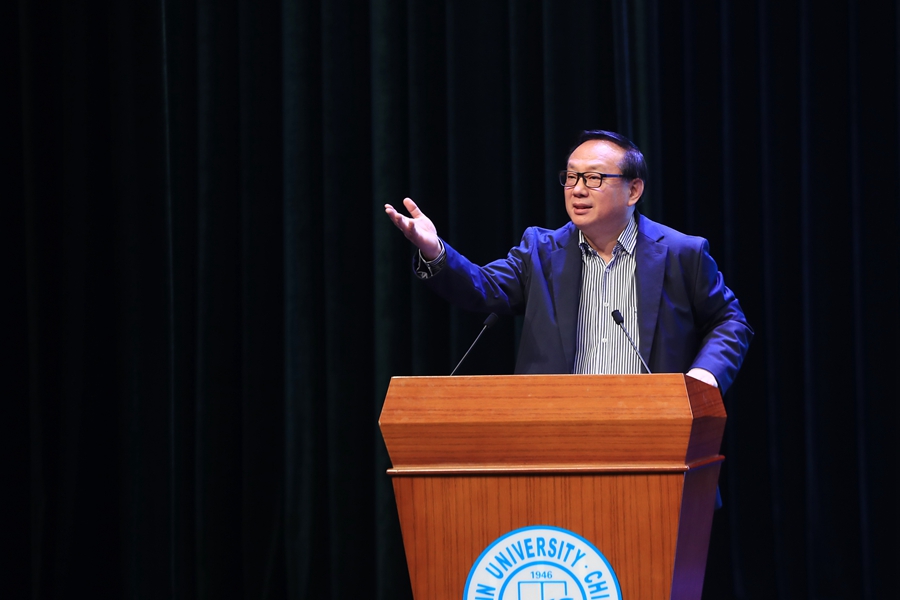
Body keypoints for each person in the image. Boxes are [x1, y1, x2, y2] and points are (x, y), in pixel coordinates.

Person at [384, 130, 752, 395]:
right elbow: (482, 288)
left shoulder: (681, 253)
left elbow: (729, 320)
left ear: (633, 190)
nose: (577, 189)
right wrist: (435, 250)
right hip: (556, 431)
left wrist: (705, 375)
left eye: (593, 178)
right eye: (571, 177)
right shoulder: (540, 251)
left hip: (652, 428)